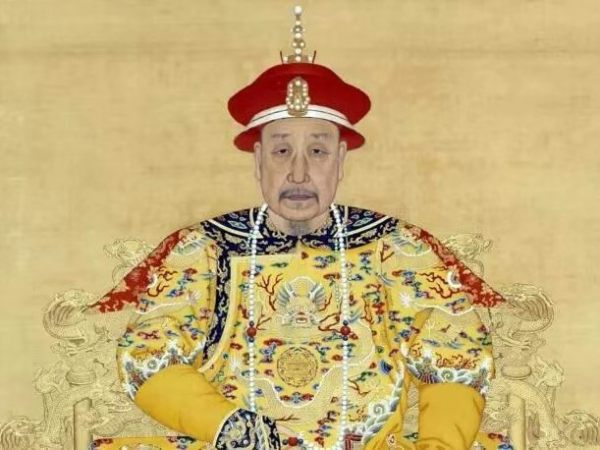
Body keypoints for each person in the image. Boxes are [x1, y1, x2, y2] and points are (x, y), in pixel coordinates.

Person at [91, 6, 514, 450]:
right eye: (281, 152)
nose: (298, 174)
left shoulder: (395, 246)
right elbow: (147, 357)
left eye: (317, 151)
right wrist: (227, 426)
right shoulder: (206, 247)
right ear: (258, 161)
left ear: (340, 161)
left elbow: (456, 359)